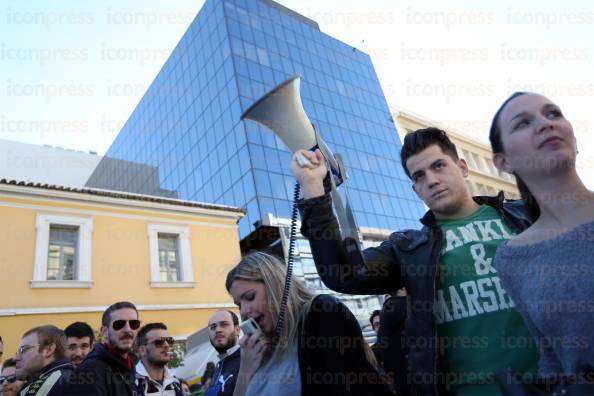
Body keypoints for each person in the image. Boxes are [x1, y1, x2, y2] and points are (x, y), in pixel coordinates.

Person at [291, 127, 540, 395]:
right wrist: (313, 186)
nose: (431, 180)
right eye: (419, 176)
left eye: (439, 166)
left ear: (463, 167)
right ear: (415, 190)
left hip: (558, 383)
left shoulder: (525, 214)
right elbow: (341, 274)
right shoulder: (408, 249)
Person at [489, 92, 594, 387]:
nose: (545, 124)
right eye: (523, 123)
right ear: (503, 161)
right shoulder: (511, 258)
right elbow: (551, 355)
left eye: (553, 114)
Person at [225, 251, 393, 396]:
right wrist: (244, 372)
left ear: (274, 285)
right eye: (239, 305)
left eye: (250, 297)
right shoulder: (256, 351)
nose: (245, 311)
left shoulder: (320, 314)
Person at [64, 301, 141, 395]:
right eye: (119, 324)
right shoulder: (88, 372)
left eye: (134, 324)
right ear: (104, 331)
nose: (128, 329)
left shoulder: (131, 365)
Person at [14, 325, 72, 396]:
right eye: (18, 352)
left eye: (24, 349)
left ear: (49, 350)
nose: (15, 358)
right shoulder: (66, 378)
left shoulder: (49, 383)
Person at [135, 322, 183, 396]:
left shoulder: (175, 383)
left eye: (169, 341)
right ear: (142, 350)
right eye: (159, 342)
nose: (167, 345)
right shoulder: (129, 383)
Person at [205, 311, 240, 396]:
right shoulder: (217, 368)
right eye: (213, 327)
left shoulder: (249, 360)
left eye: (224, 324)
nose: (217, 330)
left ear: (237, 330)